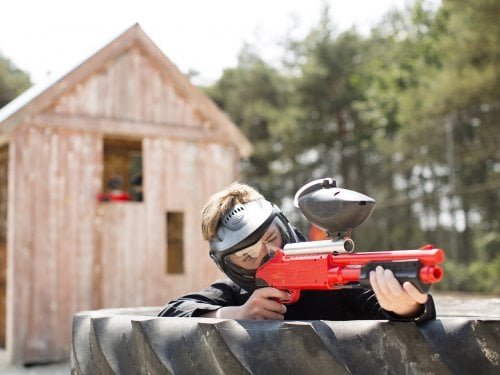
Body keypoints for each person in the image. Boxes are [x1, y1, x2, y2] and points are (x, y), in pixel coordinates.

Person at [158, 182, 435, 322]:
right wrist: (236, 314)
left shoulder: (329, 268)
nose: (265, 256)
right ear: (230, 265)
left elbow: (383, 307)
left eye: (270, 239)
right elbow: (171, 314)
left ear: (283, 226)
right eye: (247, 256)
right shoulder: (241, 292)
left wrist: (404, 306)